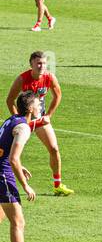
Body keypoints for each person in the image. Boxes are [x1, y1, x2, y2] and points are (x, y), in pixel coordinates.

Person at [6, 52, 73, 196]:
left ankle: (57, 185)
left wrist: (48, 115)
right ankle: (9, 181)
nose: (41, 66)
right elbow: (9, 100)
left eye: (43, 63)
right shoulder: (22, 79)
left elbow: (58, 95)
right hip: (25, 120)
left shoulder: (49, 77)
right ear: (31, 65)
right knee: (9, 153)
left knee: (54, 148)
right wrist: (19, 119)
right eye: (38, 63)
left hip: (39, 119)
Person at [0, 92, 45, 242]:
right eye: (38, 104)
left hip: (1, 169)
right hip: (3, 175)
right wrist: (25, 185)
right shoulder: (24, 127)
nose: (41, 107)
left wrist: (18, 164)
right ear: (30, 108)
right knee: (18, 222)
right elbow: (13, 158)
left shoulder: (11, 120)